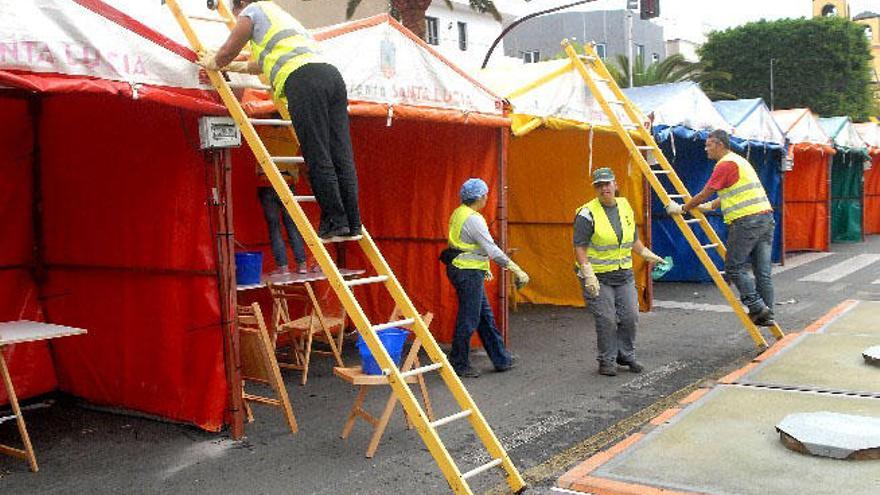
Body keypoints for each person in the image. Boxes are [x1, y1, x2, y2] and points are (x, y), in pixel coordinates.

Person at [200, 0, 360, 240]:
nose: (236, 20)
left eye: (235, 15)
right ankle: (352, 222)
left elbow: (228, 49)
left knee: (317, 153)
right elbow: (259, 64)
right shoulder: (279, 16)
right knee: (341, 154)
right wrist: (236, 66)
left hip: (303, 81)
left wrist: (215, 62)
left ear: (240, 4)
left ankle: (336, 222)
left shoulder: (251, 11)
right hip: (331, 78)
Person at [665, 130, 776, 327]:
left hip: (746, 222)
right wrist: (708, 207)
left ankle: (757, 307)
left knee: (734, 267)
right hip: (765, 219)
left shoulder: (724, 164)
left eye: (709, 145)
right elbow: (727, 194)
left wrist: (682, 208)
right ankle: (767, 313)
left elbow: (705, 193)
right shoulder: (740, 161)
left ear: (720, 144)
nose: (706, 149)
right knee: (762, 271)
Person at [574, 168, 666, 377]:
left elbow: (632, 239)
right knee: (606, 318)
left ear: (615, 185)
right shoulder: (586, 214)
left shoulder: (625, 206)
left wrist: (647, 254)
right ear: (595, 189)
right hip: (598, 277)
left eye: (607, 184)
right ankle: (606, 360)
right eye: (599, 185)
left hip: (623, 274)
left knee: (630, 316)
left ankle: (625, 354)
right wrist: (588, 274)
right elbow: (580, 246)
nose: (604, 188)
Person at [444, 178, 529, 378]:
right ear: (481, 197)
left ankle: (501, 359)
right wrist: (516, 269)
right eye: (486, 195)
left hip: (465, 269)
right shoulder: (474, 219)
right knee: (470, 318)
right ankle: (458, 363)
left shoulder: (459, 213)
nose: (487, 198)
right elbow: (491, 249)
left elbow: (466, 246)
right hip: (467, 272)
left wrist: (484, 268)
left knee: (484, 317)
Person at [258, 163, 308, 275]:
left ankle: (283, 267)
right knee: (292, 226)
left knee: (274, 228)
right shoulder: (292, 144)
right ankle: (302, 265)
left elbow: (258, 169)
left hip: (267, 183)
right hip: (288, 183)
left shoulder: (266, 144)